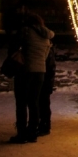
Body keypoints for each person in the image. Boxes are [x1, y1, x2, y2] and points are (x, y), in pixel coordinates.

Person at [9, 11, 54, 144]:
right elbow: (46, 55)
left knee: (21, 102)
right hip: (40, 72)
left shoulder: (25, 31)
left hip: (25, 71)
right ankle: (33, 132)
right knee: (34, 102)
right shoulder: (46, 36)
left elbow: (13, 47)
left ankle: (22, 134)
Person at [38, 42, 56, 135]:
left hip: (44, 79)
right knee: (43, 103)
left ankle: (44, 125)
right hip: (46, 79)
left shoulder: (46, 49)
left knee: (43, 103)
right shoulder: (48, 47)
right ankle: (44, 125)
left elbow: (50, 67)